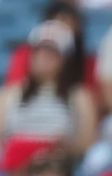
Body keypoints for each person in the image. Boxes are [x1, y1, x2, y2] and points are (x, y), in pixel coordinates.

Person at [0, 21, 98, 166]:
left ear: (65, 60)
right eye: (39, 52)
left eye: (51, 53)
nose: (43, 58)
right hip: (14, 165)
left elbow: (86, 143)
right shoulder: (10, 94)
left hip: (58, 165)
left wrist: (64, 148)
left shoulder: (79, 96)